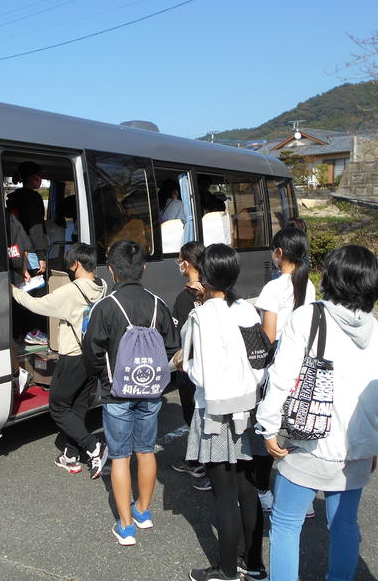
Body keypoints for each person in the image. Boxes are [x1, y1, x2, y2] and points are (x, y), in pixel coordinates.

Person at [255, 245, 378, 581]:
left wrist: (268, 427)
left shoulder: (309, 317)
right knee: (344, 523)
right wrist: (372, 445)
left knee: (286, 522)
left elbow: (282, 378)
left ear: (332, 278)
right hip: (357, 448)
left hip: (309, 441)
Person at [82, 240, 179, 546]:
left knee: (120, 457)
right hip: (150, 391)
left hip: (116, 394)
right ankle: (143, 511)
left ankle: (125, 526)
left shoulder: (105, 307)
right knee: (146, 450)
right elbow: (172, 347)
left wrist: (104, 377)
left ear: (111, 270)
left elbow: (91, 353)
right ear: (144, 268)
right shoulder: (158, 304)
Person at [178, 243, 266, 581]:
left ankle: (227, 570)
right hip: (246, 409)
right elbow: (260, 362)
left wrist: (188, 367)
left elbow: (198, 372)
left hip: (214, 412)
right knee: (247, 488)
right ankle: (254, 564)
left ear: (205, 275)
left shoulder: (201, 316)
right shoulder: (247, 310)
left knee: (224, 495)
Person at [11, 243, 108, 479]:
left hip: (72, 356)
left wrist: (12, 289)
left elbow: (36, 305)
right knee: (78, 406)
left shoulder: (72, 291)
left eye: (69, 264)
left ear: (76, 264)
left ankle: (93, 446)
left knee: (58, 407)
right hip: (92, 356)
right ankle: (71, 455)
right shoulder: (102, 285)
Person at [254, 227, 316, 517]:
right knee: (296, 429)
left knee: (269, 430)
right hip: (303, 365)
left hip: (277, 364)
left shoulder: (273, 288)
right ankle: (304, 500)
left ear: (279, 253)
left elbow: (268, 335)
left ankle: (263, 492)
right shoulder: (308, 285)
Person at [169, 241, 210, 489]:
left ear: (187, 263)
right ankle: (196, 458)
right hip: (210, 365)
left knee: (193, 414)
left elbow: (179, 334)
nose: (178, 264)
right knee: (203, 413)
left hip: (190, 366)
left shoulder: (185, 297)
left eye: (179, 260)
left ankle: (202, 465)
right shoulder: (212, 290)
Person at [7, 161, 50, 345]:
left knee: (18, 291)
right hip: (30, 251)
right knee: (35, 293)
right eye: (40, 177)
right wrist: (41, 256)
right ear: (33, 178)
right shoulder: (33, 197)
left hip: (14, 250)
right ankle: (34, 331)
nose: (41, 180)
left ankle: (18, 332)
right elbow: (35, 229)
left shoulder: (13, 197)